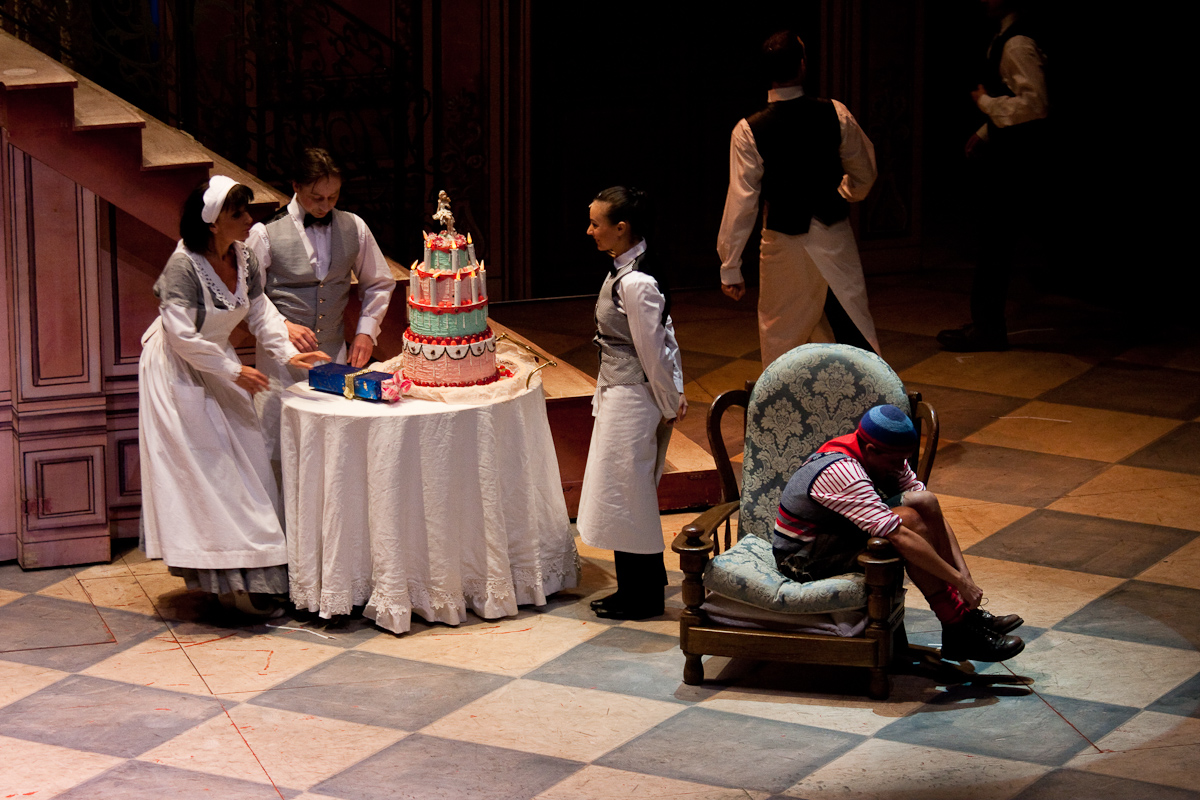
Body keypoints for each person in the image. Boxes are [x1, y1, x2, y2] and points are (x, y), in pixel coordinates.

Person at [138, 176, 329, 615]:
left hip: (220, 366)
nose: (249, 220)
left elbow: (260, 312)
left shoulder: (243, 257)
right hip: (177, 370)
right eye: (238, 213)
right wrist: (233, 370)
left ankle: (257, 573)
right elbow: (181, 335)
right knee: (211, 471)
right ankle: (224, 578)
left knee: (250, 463)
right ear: (212, 223)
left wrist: (286, 352)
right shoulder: (183, 267)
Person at [773, 404, 1025, 661]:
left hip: (835, 537)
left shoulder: (886, 457)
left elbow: (932, 512)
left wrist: (965, 576)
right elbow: (899, 534)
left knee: (924, 502)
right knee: (908, 521)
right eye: (894, 462)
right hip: (801, 560)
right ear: (871, 450)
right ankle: (956, 625)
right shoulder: (842, 471)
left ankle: (963, 614)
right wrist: (960, 582)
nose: (899, 467)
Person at [717, 30, 879, 368]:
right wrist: (845, 193)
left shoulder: (748, 130)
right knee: (849, 323)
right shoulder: (836, 113)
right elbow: (865, 173)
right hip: (834, 237)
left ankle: (783, 398)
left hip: (782, 244)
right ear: (803, 65)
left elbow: (742, 201)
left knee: (782, 334)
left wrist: (730, 265)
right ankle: (861, 394)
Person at [246, 148, 396, 468]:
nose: (325, 205)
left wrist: (366, 332)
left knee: (332, 451)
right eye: (316, 197)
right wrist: (283, 325)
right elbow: (247, 294)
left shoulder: (354, 226)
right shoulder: (264, 233)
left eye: (333, 196)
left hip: (333, 358)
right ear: (296, 186)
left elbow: (380, 282)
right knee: (282, 451)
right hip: (281, 363)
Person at [578, 187, 687, 621]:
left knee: (630, 495)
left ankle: (642, 596)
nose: (589, 231)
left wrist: (670, 400)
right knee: (624, 494)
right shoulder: (624, 269)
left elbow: (655, 350)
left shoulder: (637, 281)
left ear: (621, 228)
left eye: (596, 223)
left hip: (634, 398)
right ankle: (636, 589)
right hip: (620, 392)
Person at [937, 0, 1049, 352]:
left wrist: (985, 103)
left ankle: (988, 328)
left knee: (996, 242)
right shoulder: (1004, 38)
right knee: (993, 241)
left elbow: (1035, 104)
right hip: (1007, 152)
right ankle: (986, 323)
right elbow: (1012, 96)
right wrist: (986, 130)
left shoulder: (1016, 43)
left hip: (1016, 159)